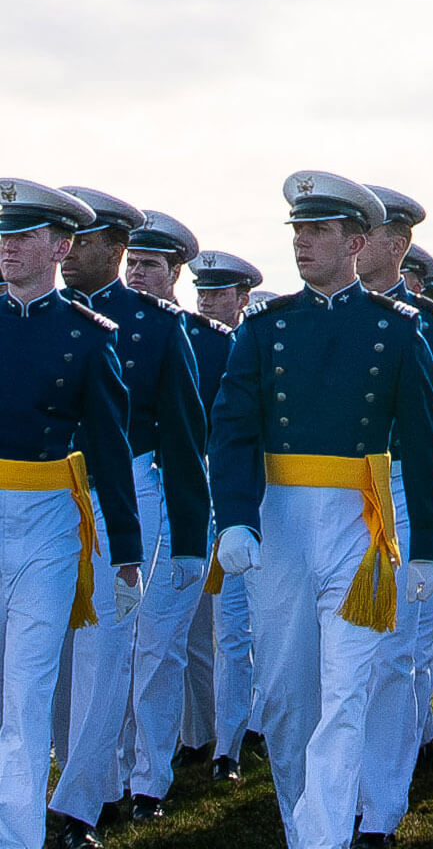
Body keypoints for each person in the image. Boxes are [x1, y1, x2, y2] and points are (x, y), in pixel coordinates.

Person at [207, 170, 433, 849]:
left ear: (357, 242)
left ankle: (325, 838)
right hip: (279, 523)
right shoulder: (265, 328)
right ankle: (301, 824)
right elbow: (233, 428)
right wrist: (234, 517)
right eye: (299, 231)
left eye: (320, 231)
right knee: (284, 699)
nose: (304, 243)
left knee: (346, 695)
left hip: (358, 526)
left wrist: (426, 544)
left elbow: (425, 444)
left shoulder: (398, 332)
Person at [50, 187, 209, 844]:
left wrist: (190, 541)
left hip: (129, 495)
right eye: (65, 239)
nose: (68, 254)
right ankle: (74, 776)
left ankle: (79, 804)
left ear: (116, 249)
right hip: (39, 492)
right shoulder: (33, 314)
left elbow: (183, 436)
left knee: (106, 650)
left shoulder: (159, 326)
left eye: (84, 242)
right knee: (47, 657)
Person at [0, 179, 140, 849]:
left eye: (25, 236)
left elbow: (112, 451)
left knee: (26, 698)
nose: (9, 247)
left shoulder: (87, 337)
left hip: (50, 526)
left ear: (61, 246)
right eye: (5, 234)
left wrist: (128, 554)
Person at [351, 184, 433, 848]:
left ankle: (380, 812)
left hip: (399, 490)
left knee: (396, 658)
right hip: (334, 493)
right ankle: (340, 790)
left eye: (370, 232)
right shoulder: (319, 315)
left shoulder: (432, 324)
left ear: (398, 245)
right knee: (338, 660)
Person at [119, 211, 222, 810]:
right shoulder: (97, 324)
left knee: (159, 646)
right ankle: (108, 767)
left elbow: (196, 437)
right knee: (110, 645)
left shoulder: (197, 338)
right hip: (99, 494)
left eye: (149, 264)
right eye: (132, 261)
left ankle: (149, 776)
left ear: (176, 272)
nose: (136, 272)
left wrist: (193, 531)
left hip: (167, 490)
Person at [185, 251, 265, 783]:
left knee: (265, 625)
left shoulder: (260, 345)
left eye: (219, 294)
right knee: (226, 628)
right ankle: (224, 744)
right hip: (214, 495)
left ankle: (255, 724)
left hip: (262, 498)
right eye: (204, 293)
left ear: (242, 297)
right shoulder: (196, 344)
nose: (209, 302)